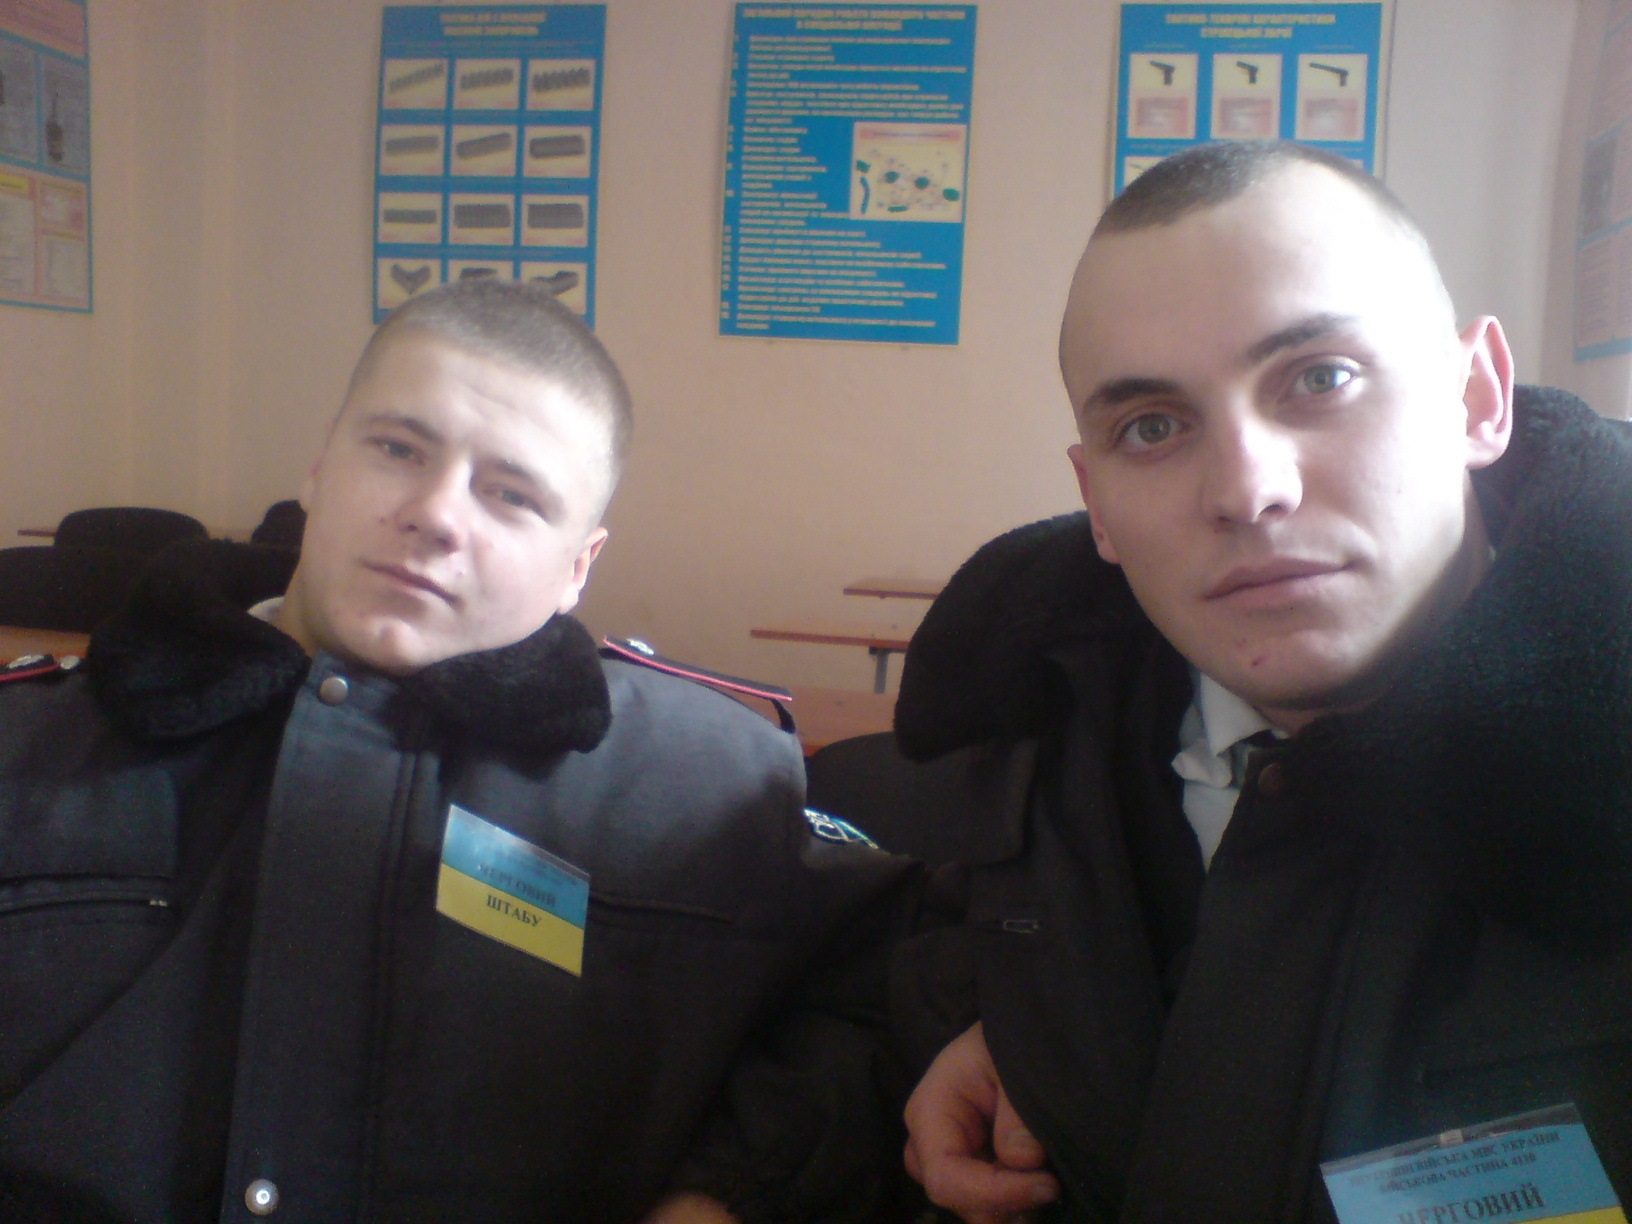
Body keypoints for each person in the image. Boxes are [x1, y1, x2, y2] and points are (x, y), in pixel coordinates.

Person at [0, 280, 909, 1224]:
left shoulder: (704, 789)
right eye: (399, 449)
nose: (436, 513)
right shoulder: (33, 750)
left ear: (578, 566)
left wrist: (729, 1193)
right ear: (320, 466)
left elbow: (878, 1002)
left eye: (512, 495)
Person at [891, 141, 1632, 1221]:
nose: (1246, 489)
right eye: (1152, 427)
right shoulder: (1034, 737)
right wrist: (1023, 1034)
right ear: (1096, 503)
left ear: (1476, 397)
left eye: (1322, 378)